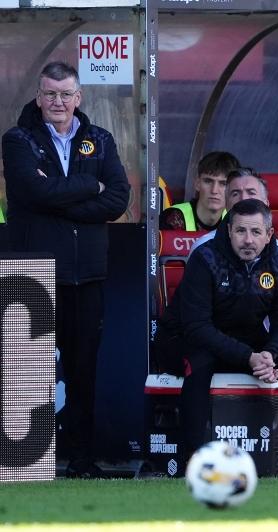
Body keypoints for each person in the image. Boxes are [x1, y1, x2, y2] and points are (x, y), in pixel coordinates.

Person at [1, 61, 130, 478]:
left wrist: (60, 200)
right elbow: (32, 190)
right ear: (38, 98)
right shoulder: (18, 139)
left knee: (82, 370)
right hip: (32, 271)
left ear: (79, 98)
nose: (58, 101)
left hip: (86, 273)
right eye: (50, 94)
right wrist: (87, 186)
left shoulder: (100, 139)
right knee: (28, 370)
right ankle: (25, 462)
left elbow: (118, 199)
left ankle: (81, 459)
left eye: (65, 94)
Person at [176, 199, 278, 474]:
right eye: (241, 231)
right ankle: (191, 461)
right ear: (229, 231)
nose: (248, 240)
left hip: (253, 346)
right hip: (203, 340)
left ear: (269, 234)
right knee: (199, 364)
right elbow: (197, 327)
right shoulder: (205, 259)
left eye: (255, 232)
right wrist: (248, 357)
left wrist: (271, 354)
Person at [189, 167, 278, 294]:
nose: (243, 199)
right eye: (235, 193)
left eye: (251, 192)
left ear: (266, 203)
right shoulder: (202, 248)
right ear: (227, 204)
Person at [159, 151, 238, 231]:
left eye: (223, 183)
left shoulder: (235, 219)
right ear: (197, 184)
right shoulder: (174, 217)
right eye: (208, 181)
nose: (214, 190)